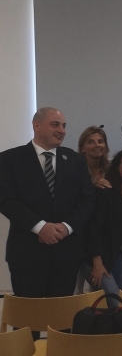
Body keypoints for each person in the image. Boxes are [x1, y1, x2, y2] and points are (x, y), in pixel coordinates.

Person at [0, 107, 94, 332]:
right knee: (27, 321)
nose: (61, 130)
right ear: (36, 125)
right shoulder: (10, 159)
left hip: (66, 252)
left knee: (62, 320)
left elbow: (86, 200)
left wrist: (66, 227)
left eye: (63, 126)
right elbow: (6, 200)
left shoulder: (75, 160)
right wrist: (40, 227)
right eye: (55, 124)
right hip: (27, 253)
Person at [82, 149, 122, 301]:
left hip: (115, 256)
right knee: (114, 300)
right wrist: (97, 263)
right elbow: (93, 229)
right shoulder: (105, 192)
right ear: (117, 167)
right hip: (94, 257)